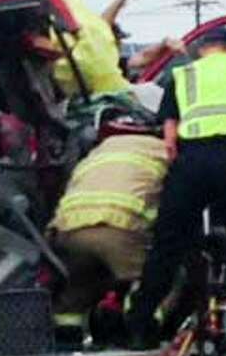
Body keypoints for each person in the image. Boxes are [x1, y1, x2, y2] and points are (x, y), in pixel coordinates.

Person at [125, 27, 226, 346]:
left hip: (192, 165)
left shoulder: (183, 76)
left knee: (167, 246)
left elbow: (169, 140)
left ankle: (140, 327)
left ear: (202, 50)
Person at [47, 134, 170, 343]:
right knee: (161, 274)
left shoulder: (99, 153)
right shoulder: (166, 152)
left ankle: (67, 334)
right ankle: (142, 328)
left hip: (68, 233)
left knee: (82, 284)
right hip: (117, 230)